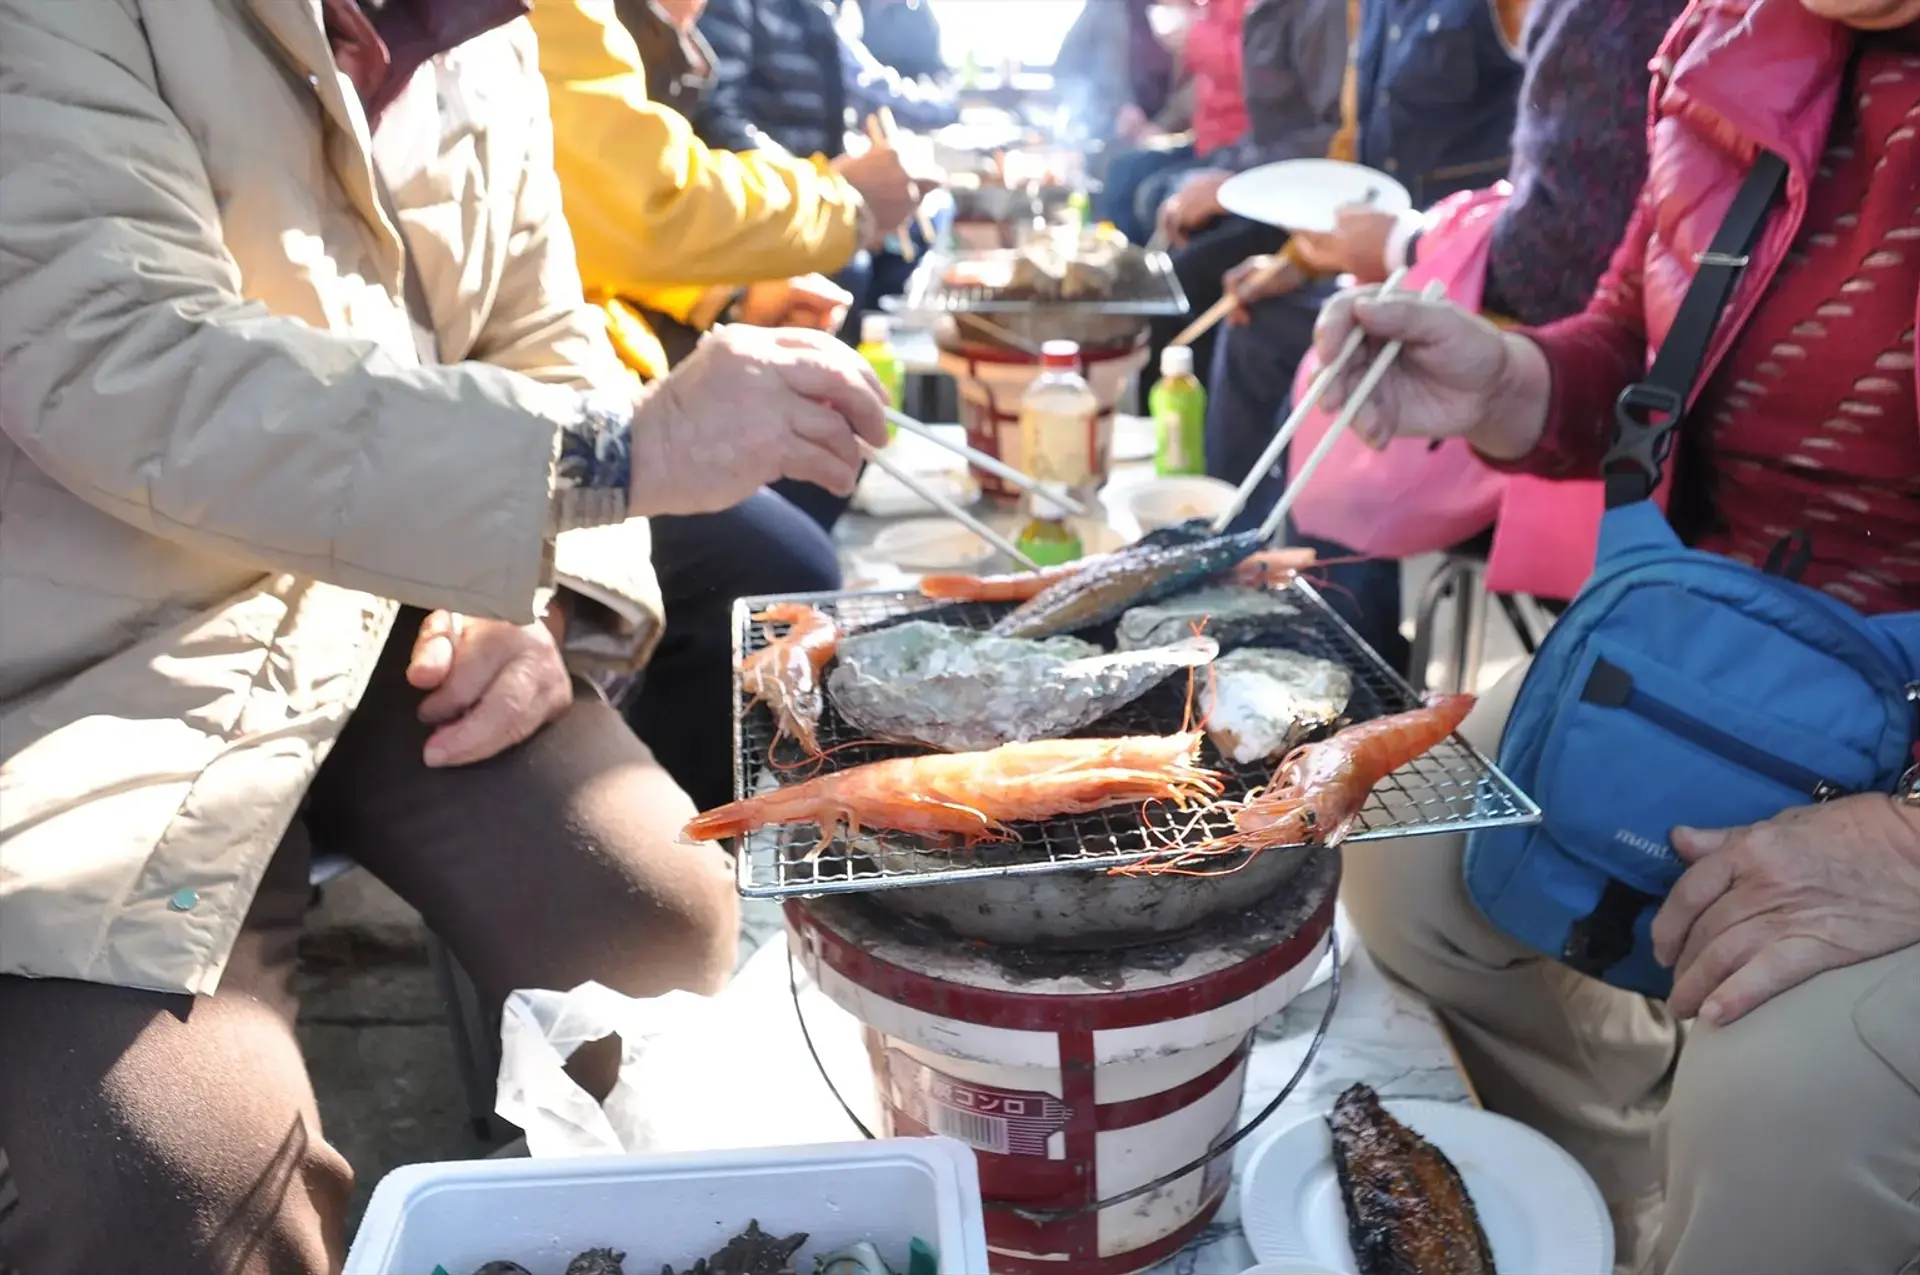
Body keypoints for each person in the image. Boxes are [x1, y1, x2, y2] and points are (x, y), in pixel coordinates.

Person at [0, 1, 889, 1267]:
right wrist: (618, 453)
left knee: (655, 914)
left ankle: (577, 1218)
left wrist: (547, 590)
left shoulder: (494, 37)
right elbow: (116, 356)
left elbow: (540, 333)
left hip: (384, 606)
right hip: (100, 667)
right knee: (175, 1184)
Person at [1312, 0, 1920, 1265]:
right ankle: (1632, 1212)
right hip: (1765, 656)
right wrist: (1502, 380)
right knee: (1418, 846)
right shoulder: (1726, 41)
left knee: (1788, 1087)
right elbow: (1641, 351)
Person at [1200, 0, 1528, 671]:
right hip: (1388, 274)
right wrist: (1295, 261)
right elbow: (1354, 164)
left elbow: (1556, 203)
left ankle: (1352, 654)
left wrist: (1409, 246)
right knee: (1253, 325)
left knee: (1340, 377)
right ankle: (1233, 581)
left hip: (1485, 305)